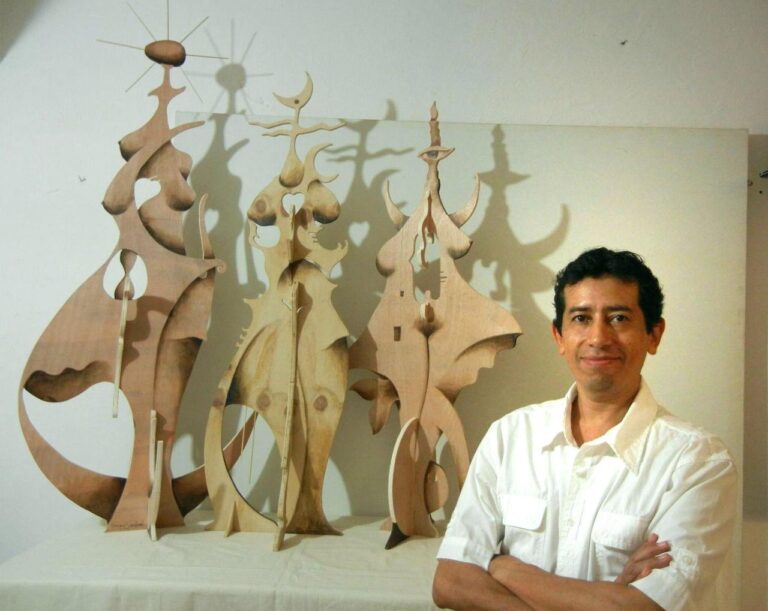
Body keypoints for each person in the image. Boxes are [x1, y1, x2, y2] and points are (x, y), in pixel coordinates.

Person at [432, 247, 737, 611]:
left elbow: (640, 608)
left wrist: (503, 567)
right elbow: (450, 582)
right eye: (580, 318)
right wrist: (605, 596)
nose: (598, 337)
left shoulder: (698, 461)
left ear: (654, 335)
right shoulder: (509, 436)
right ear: (559, 337)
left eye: (619, 318)